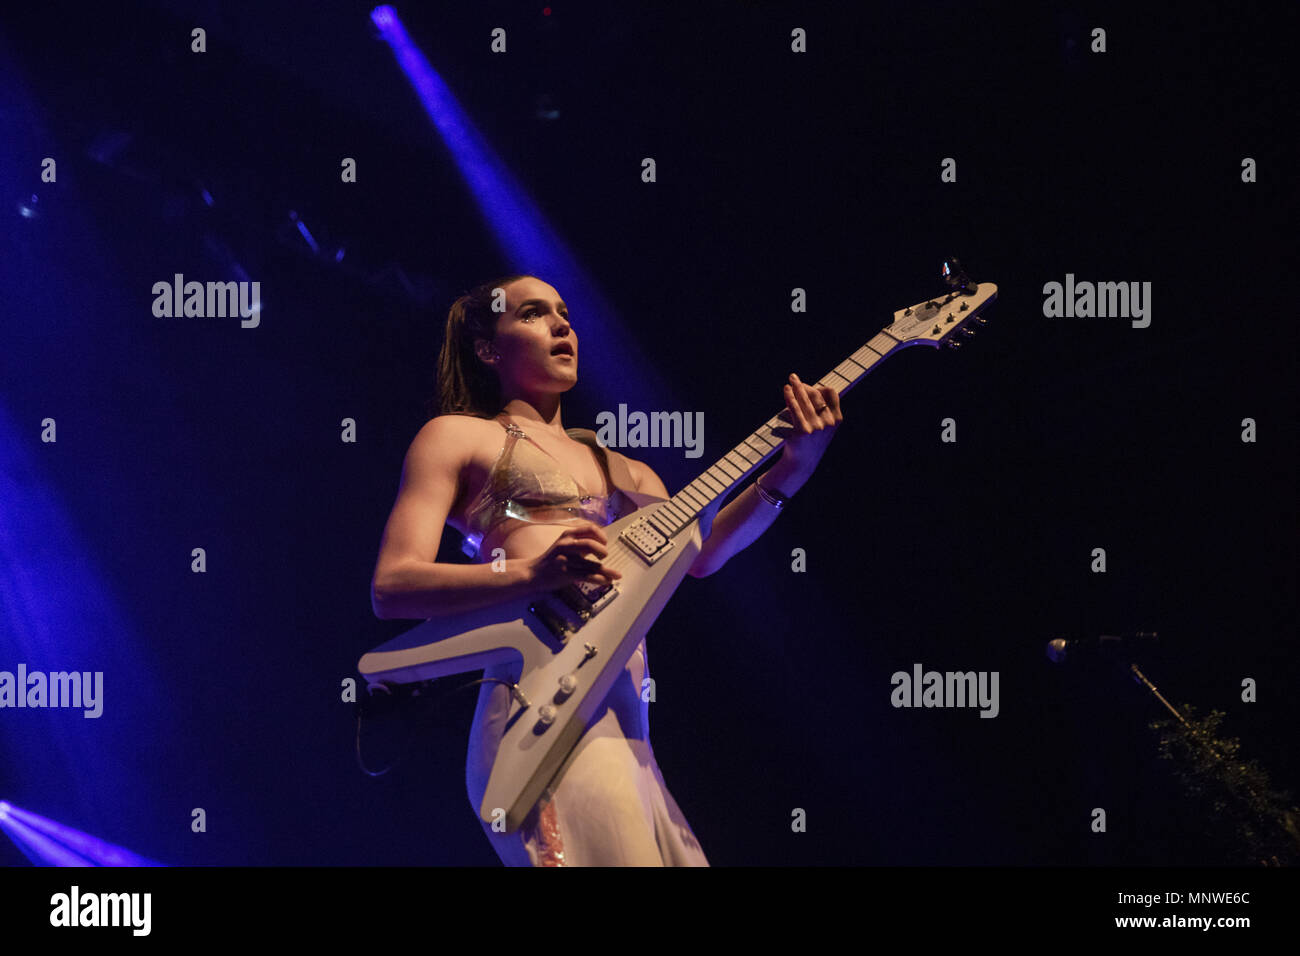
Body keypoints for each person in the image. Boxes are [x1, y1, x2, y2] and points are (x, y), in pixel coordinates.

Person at [370, 274, 843, 865]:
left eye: (565, 312)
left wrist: (792, 469)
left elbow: (703, 553)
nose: (562, 324)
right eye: (535, 314)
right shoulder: (458, 436)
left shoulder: (630, 474)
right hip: (537, 707)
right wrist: (531, 575)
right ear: (490, 350)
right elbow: (393, 586)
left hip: (628, 722)